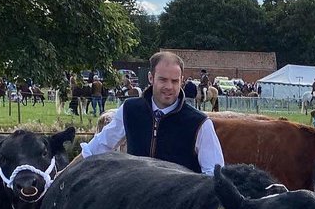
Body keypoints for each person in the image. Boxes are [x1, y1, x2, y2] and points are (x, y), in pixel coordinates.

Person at [80, 50, 225, 175]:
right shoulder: (130, 110)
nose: (169, 86)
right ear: (151, 77)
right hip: (136, 200)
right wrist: (64, 175)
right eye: (163, 79)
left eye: (175, 81)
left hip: (178, 204)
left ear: (182, 81)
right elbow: (97, 147)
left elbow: (214, 174)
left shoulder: (199, 123)